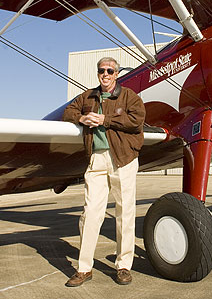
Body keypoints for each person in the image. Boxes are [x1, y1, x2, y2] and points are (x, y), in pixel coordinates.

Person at [62, 57, 145, 287]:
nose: (105, 74)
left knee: (125, 212)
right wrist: (81, 117)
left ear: (116, 74)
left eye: (110, 71)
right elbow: (68, 111)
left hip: (123, 159)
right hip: (96, 160)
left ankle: (123, 266)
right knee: (90, 213)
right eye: (102, 71)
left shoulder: (129, 97)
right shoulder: (87, 96)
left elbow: (136, 120)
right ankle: (84, 268)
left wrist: (105, 119)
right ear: (98, 73)